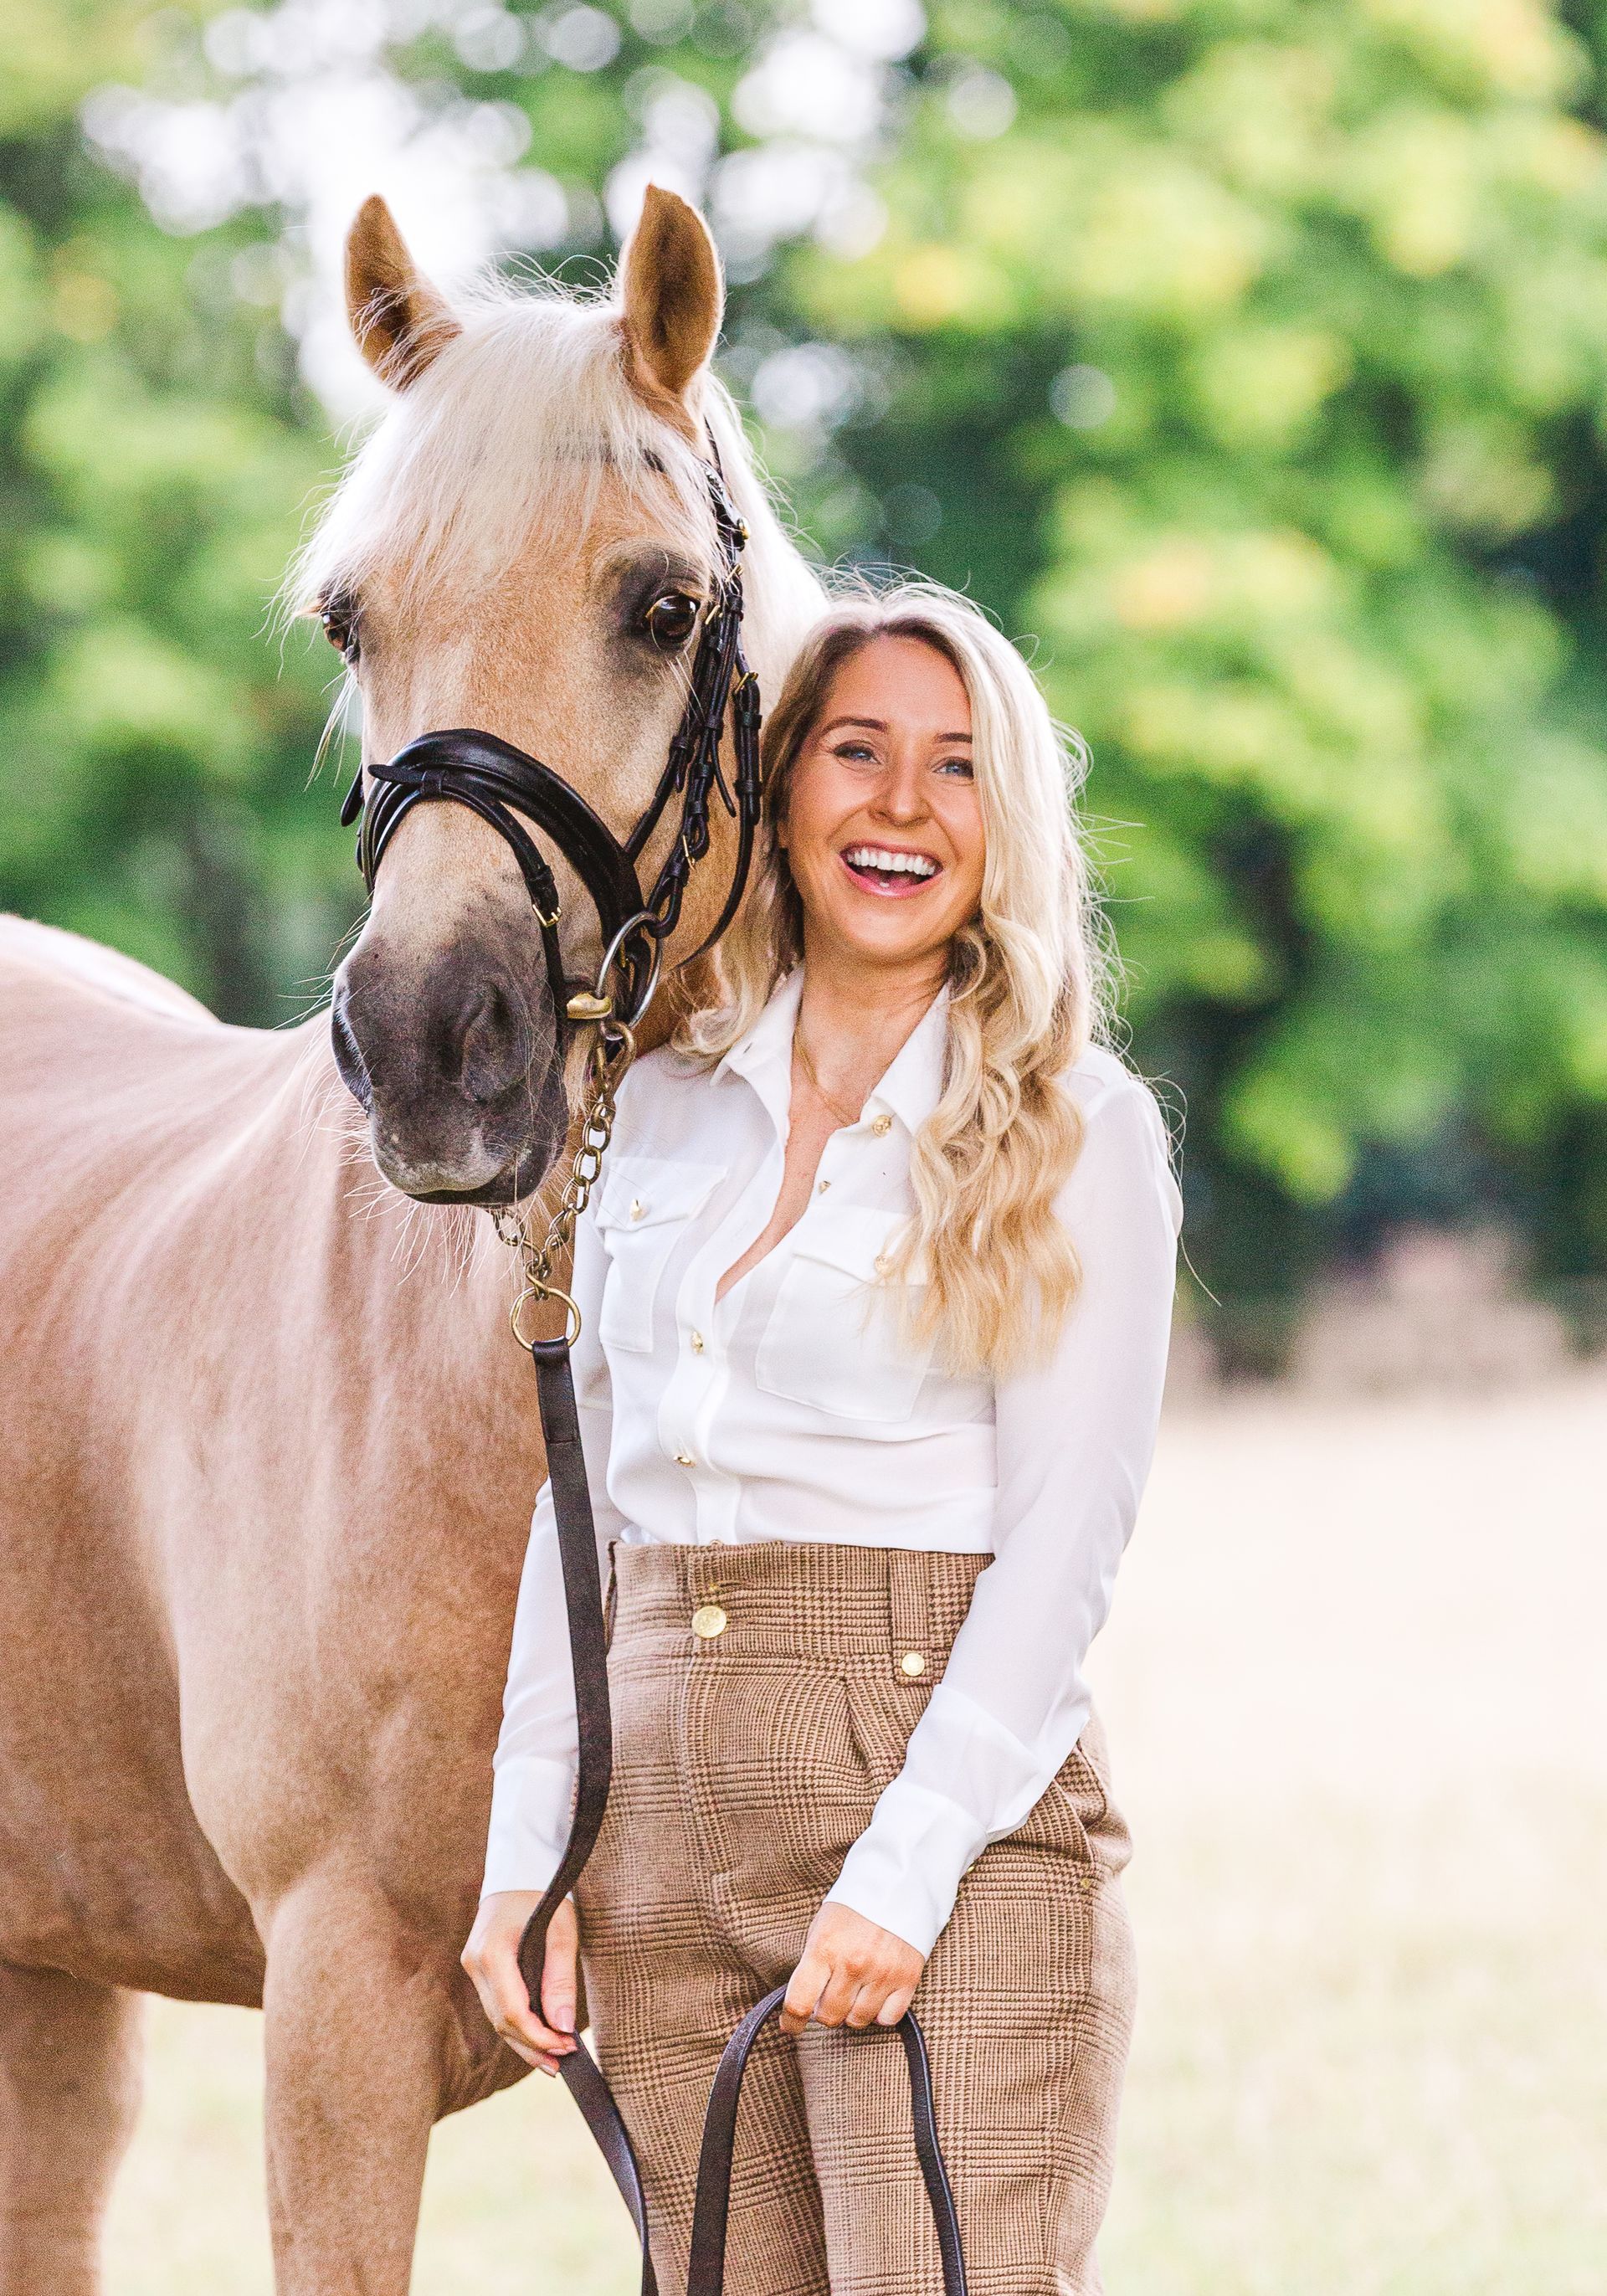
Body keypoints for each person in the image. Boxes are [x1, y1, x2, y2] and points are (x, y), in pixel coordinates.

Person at [463, 584, 1182, 2295]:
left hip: (933, 1811)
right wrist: (530, 1862)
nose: (901, 805)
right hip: (660, 1825)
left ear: (1006, 822)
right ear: (782, 786)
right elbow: (587, 1525)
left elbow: (1063, 1548)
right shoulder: (658, 1106)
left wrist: (907, 1869)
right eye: (856, 752)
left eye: (956, 767)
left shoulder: (1080, 1132)